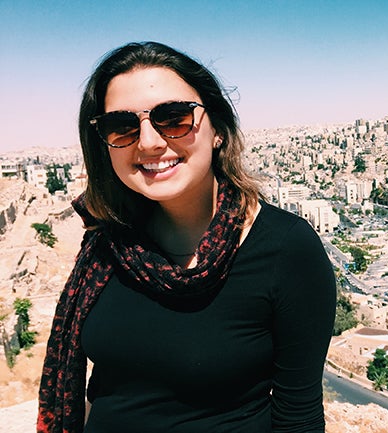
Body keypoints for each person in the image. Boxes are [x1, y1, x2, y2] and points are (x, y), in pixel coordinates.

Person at [37, 41, 337, 433]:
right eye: (121, 126)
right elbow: (106, 391)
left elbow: (299, 418)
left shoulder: (285, 249)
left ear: (218, 131)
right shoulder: (107, 246)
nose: (149, 142)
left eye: (174, 117)